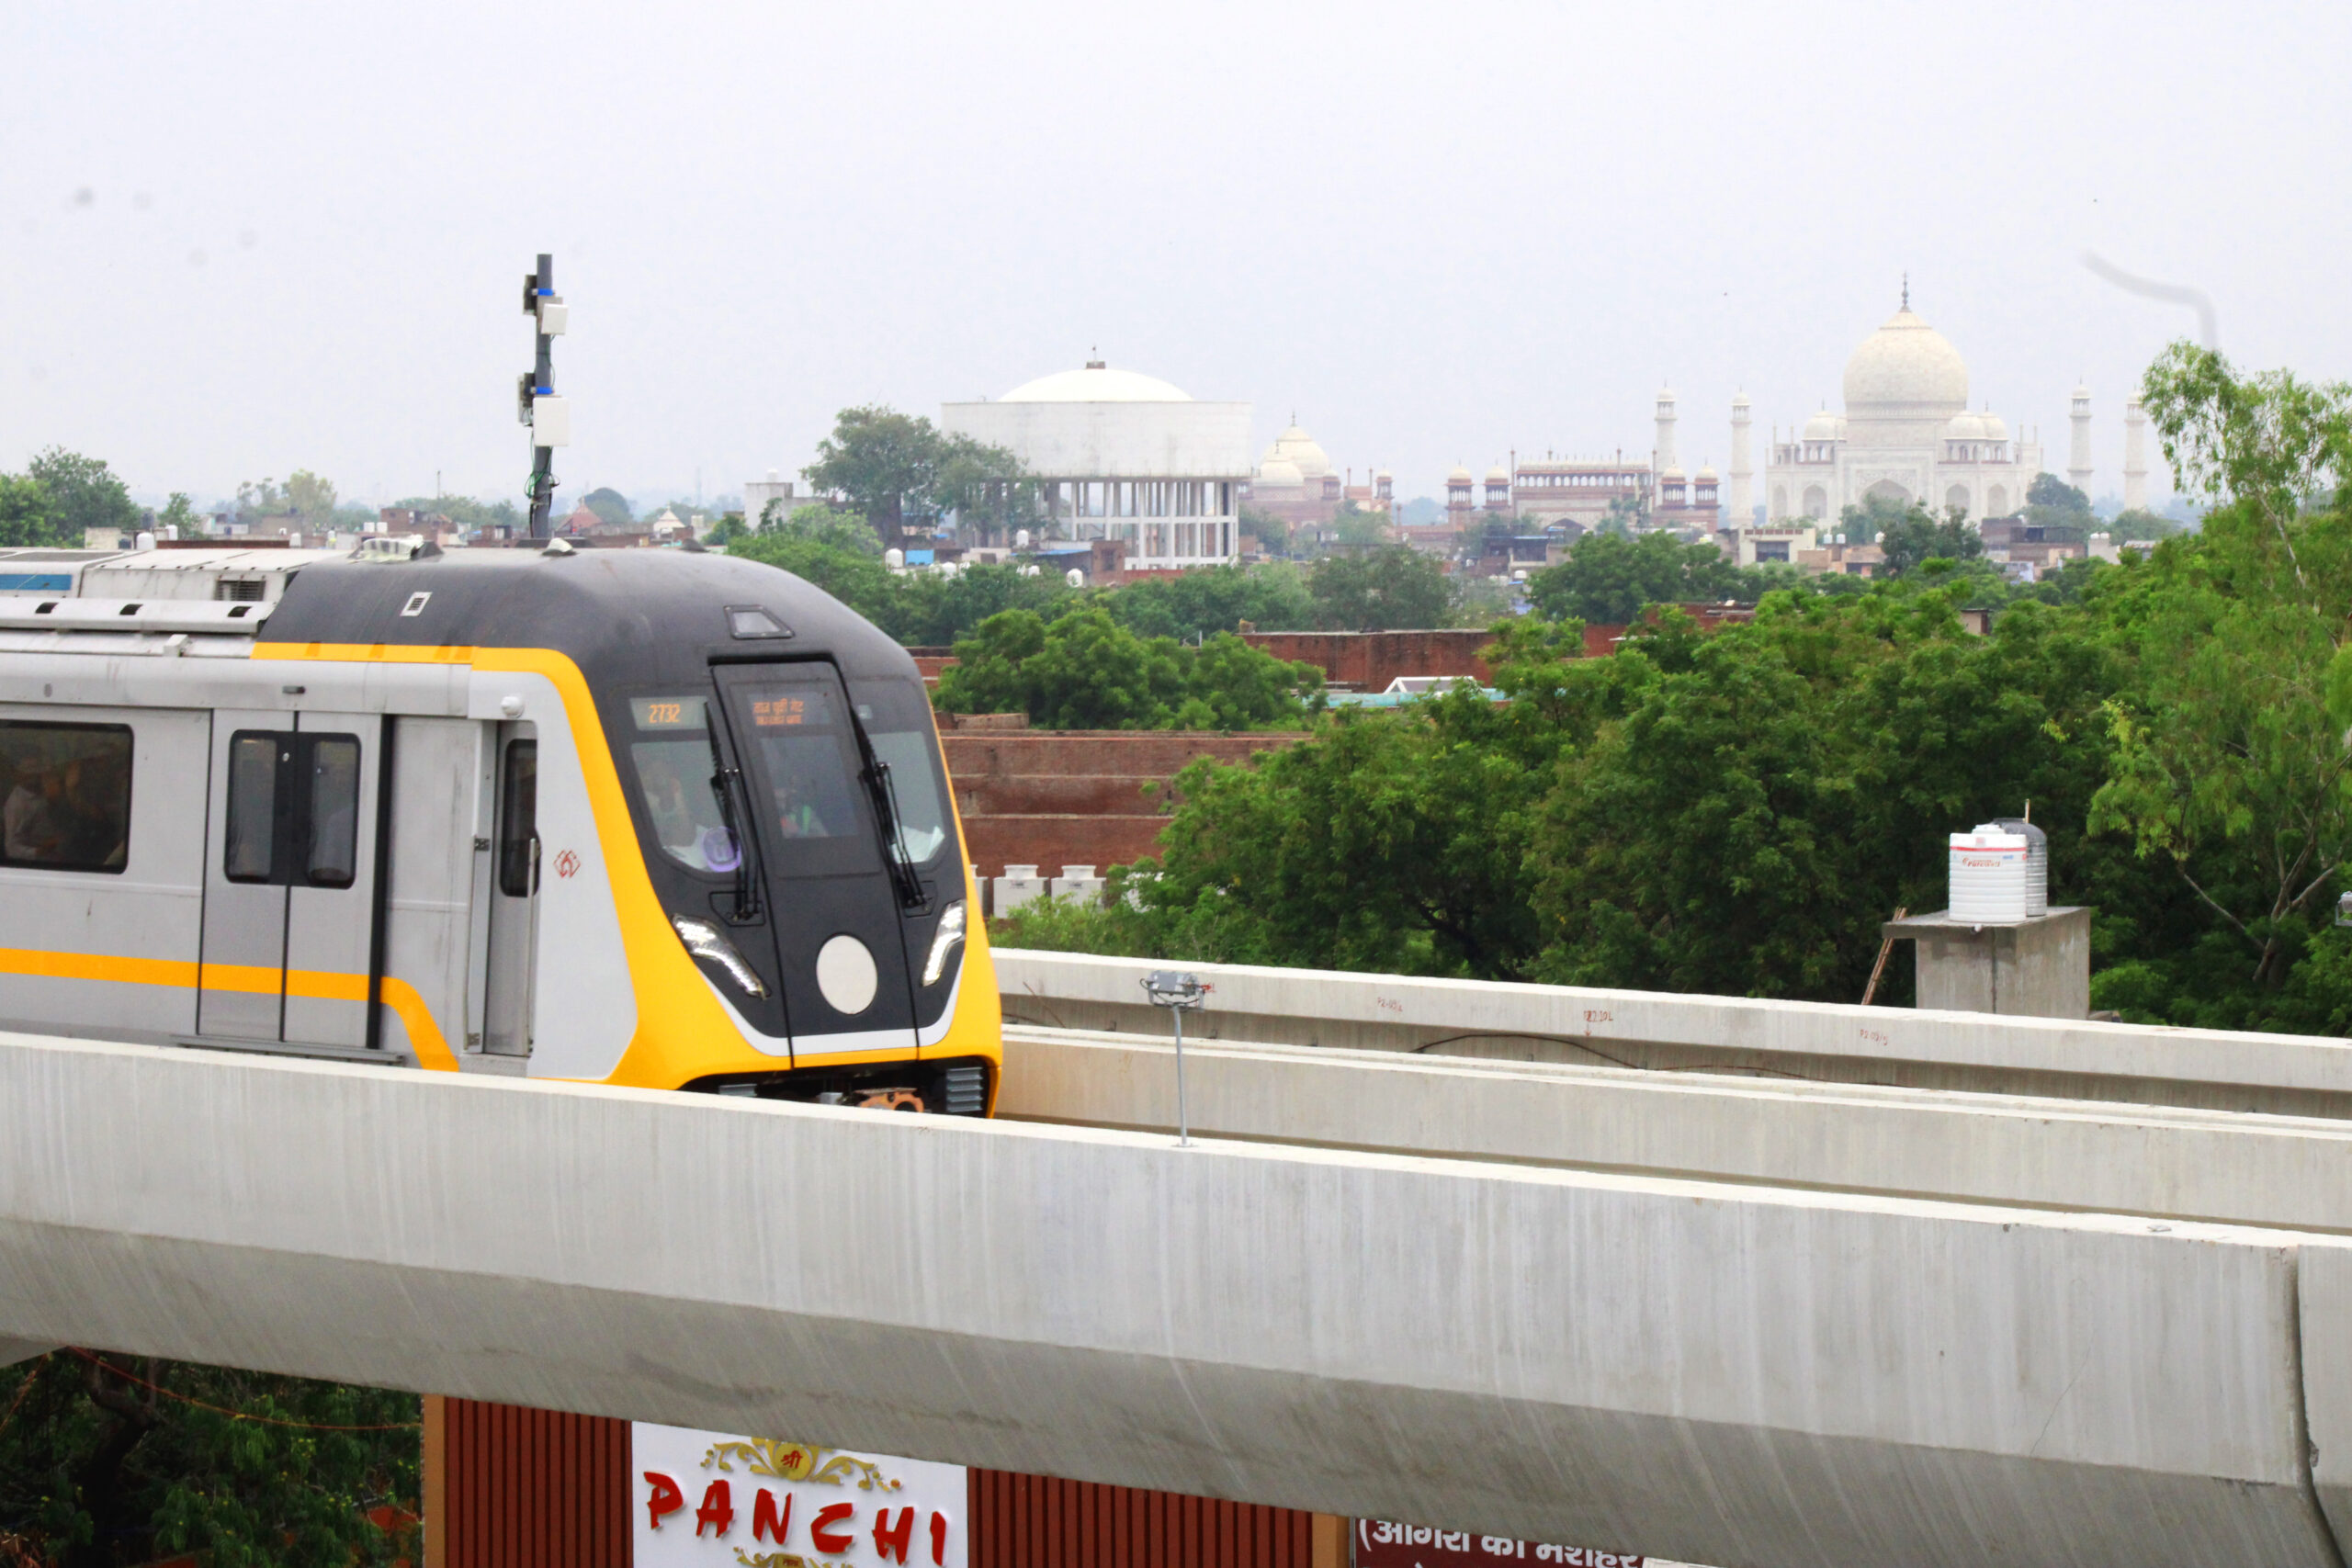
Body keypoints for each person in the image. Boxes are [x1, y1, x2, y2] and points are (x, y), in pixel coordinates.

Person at [4, 758, 62, 863]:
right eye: (28, 769)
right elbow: (11, 848)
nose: (33, 773)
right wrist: (39, 851)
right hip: (38, 867)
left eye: (36, 768)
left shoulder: (44, 790)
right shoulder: (17, 804)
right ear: (16, 773)